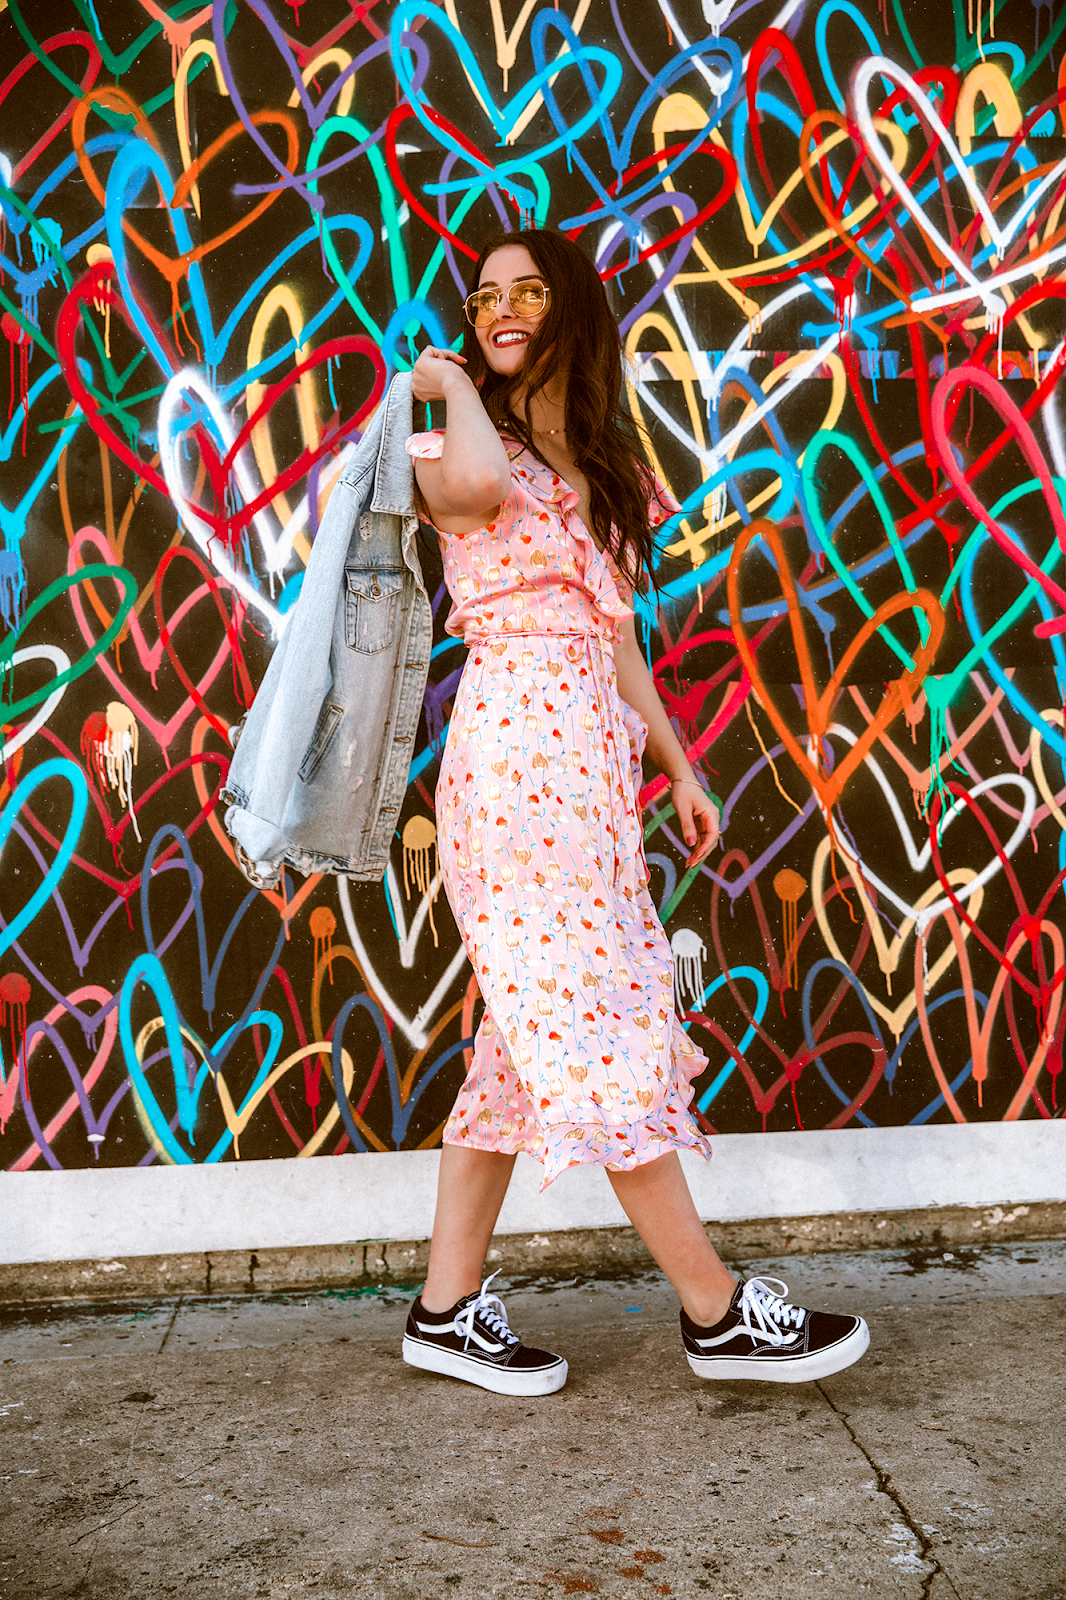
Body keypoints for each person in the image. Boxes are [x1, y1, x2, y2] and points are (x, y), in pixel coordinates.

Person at [399, 229, 869, 1396]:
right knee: (603, 1035)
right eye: (484, 298)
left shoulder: (600, 461)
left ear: (573, 312)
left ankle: (443, 1311)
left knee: (518, 1049)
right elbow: (472, 494)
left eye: (527, 292)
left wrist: (680, 765)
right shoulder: (462, 435)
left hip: (591, 783)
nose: (502, 310)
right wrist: (454, 379)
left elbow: (613, 634)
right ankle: (715, 1312)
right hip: (513, 775)